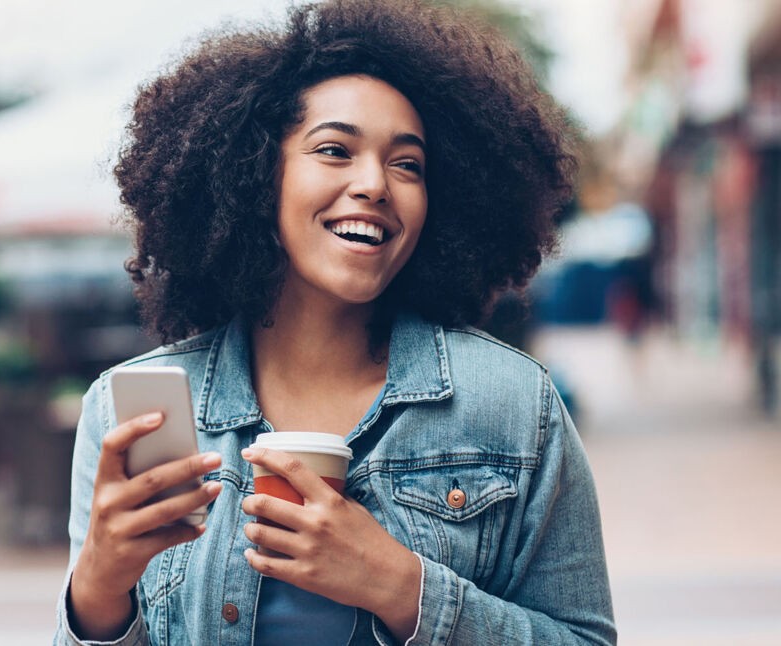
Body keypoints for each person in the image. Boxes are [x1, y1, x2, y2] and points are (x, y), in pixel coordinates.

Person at [55, 0, 615, 643]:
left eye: (408, 164)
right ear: (255, 174)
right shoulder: (135, 413)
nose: (375, 183)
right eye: (334, 150)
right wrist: (98, 589)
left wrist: (400, 587)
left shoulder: (514, 405)